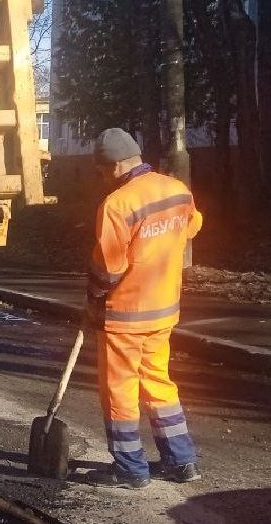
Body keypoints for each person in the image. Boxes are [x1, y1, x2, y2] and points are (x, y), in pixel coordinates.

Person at [85, 128, 203, 489]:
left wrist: (92, 299)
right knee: (159, 383)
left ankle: (131, 470)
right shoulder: (177, 190)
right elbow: (193, 226)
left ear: (116, 165)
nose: (104, 178)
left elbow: (108, 268)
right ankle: (182, 462)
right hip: (164, 310)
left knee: (120, 390)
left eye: (104, 170)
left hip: (124, 317)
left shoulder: (117, 204)